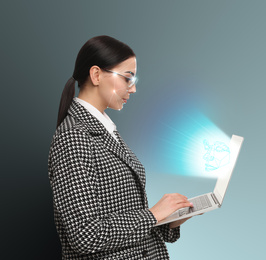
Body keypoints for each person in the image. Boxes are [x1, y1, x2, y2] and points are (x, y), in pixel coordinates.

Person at [48, 35, 193, 260]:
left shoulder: (104, 128)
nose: (132, 89)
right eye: (127, 78)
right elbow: (85, 234)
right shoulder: (73, 136)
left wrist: (168, 221)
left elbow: (123, 214)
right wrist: (153, 215)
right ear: (96, 75)